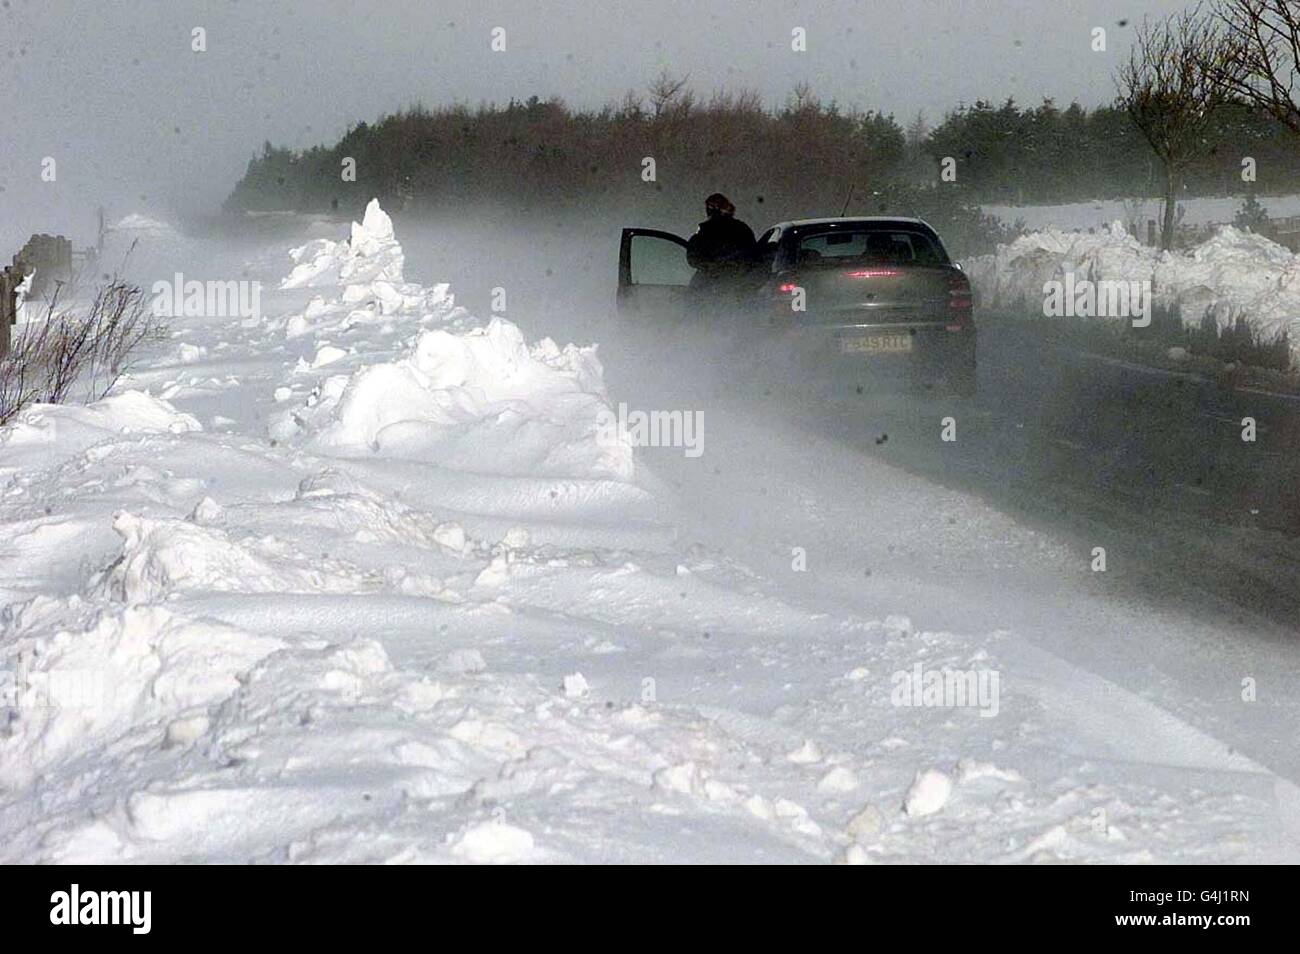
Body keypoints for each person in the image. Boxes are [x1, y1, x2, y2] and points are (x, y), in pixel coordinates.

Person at [685, 193, 757, 301]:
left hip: (710, 286)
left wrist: (710, 267)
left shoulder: (705, 229)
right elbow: (753, 256)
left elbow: (693, 256)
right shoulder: (742, 228)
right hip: (736, 286)